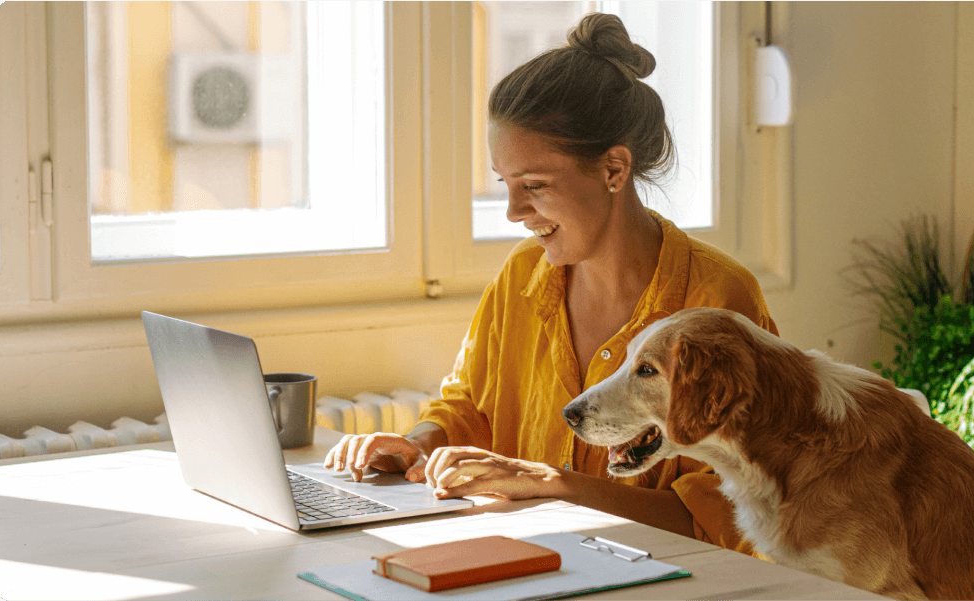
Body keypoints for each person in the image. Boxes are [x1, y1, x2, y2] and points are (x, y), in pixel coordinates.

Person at [324, 12, 778, 554]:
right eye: (505, 184)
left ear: (614, 169)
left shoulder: (719, 301)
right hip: (529, 563)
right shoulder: (522, 275)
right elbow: (471, 408)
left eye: (534, 185)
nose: (514, 211)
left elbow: (725, 519)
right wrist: (417, 444)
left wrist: (557, 487)